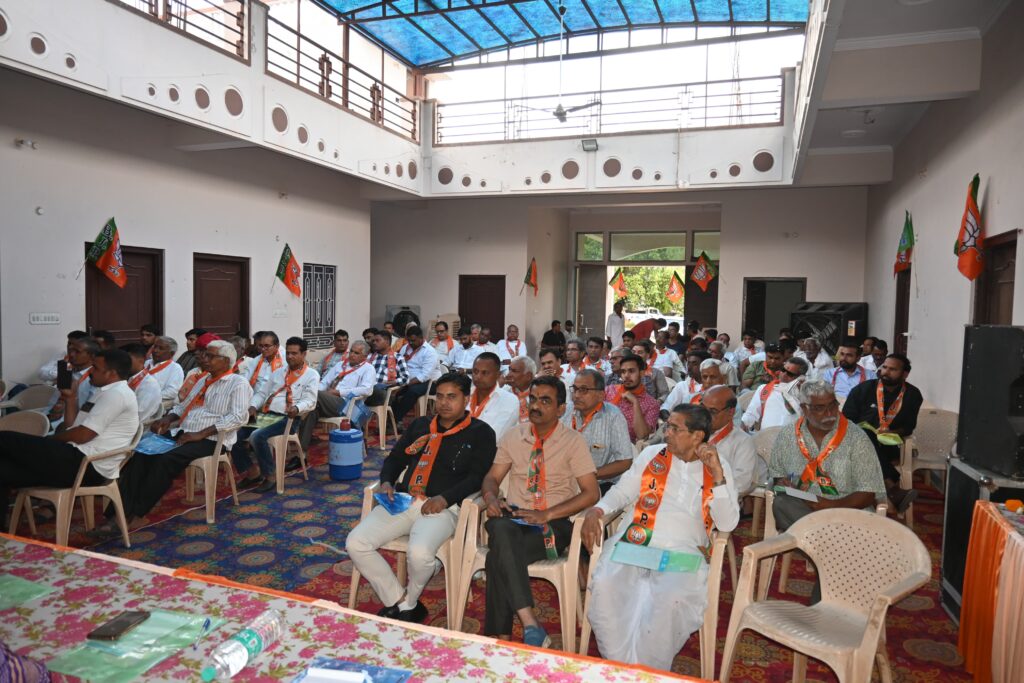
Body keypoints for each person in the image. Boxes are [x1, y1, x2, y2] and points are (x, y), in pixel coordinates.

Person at [582, 404, 739, 671]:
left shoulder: (718, 466)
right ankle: (620, 667)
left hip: (682, 551)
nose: (666, 433)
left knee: (671, 601)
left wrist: (717, 475)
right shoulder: (652, 455)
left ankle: (647, 671)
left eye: (675, 428)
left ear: (697, 436)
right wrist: (597, 510)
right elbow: (623, 492)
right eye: (668, 427)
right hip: (636, 541)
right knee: (607, 587)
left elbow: (727, 523)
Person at [347, 372, 497, 623]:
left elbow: (477, 477)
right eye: (440, 396)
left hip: (444, 507)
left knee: (418, 553)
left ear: (466, 399)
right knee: (356, 543)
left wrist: (444, 499)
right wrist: (387, 481)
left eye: (452, 397)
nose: (444, 403)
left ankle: (411, 600)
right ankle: (399, 600)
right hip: (405, 499)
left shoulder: (481, 432)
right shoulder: (421, 426)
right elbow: (395, 458)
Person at [480, 375, 600, 647]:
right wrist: (491, 498)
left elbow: (591, 493)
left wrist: (546, 514)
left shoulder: (573, 442)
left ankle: (504, 636)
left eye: (545, 401)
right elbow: (492, 478)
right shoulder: (514, 436)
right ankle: (530, 624)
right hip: (515, 517)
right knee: (501, 526)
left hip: (553, 524)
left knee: (498, 553)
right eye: (533, 399)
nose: (535, 405)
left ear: (561, 409)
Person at [108, 340, 251, 529]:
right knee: (142, 453)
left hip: (211, 439)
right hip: (184, 432)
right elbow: (184, 406)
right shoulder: (203, 380)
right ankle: (116, 512)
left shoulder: (237, 383)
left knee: (165, 460)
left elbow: (238, 417)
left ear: (226, 361)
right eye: (204, 355)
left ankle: (136, 513)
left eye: (210, 356)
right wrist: (167, 419)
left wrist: (200, 434)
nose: (204, 359)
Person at [768, 379, 886, 601]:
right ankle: (832, 555)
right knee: (782, 503)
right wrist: (785, 483)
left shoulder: (856, 438)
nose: (830, 413)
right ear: (804, 409)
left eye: (833, 405)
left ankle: (826, 560)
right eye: (820, 408)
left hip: (847, 512)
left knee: (831, 547)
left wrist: (832, 506)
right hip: (803, 510)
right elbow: (776, 477)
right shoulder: (787, 436)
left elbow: (868, 491)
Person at [0, 349, 140, 527]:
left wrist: (48, 442)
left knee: (5, 439)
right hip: (75, 458)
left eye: (96, 368)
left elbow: (83, 435)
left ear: (111, 373)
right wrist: (71, 398)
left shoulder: (117, 394)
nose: (91, 371)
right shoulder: (103, 391)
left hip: (87, 465)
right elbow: (72, 426)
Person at [232, 337, 320, 493]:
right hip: (267, 415)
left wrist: (297, 408)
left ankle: (270, 475)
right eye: (288, 353)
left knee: (257, 436)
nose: (290, 357)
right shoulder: (279, 372)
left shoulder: (311, 375)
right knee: (233, 436)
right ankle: (253, 472)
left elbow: (310, 401)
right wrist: (252, 406)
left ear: (304, 354)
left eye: (294, 353)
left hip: (288, 418)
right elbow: (262, 393)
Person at [841, 353, 923, 512]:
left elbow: (909, 427)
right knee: (864, 434)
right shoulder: (863, 389)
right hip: (856, 444)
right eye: (884, 367)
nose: (886, 372)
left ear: (905, 374)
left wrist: (891, 431)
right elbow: (845, 420)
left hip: (889, 445)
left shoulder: (912, 395)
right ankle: (892, 487)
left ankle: (886, 493)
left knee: (866, 447)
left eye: (893, 369)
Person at [562, 369, 632, 493]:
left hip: (600, 483)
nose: (576, 395)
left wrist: (587, 476)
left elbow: (625, 462)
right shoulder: (565, 411)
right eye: (575, 389)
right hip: (564, 481)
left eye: (583, 390)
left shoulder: (614, 416)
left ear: (600, 395)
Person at [300, 340, 376, 448]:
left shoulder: (368, 369)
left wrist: (339, 392)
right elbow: (324, 383)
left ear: (365, 356)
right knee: (312, 410)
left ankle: (295, 414)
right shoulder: (340, 364)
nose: (352, 355)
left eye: (356, 353)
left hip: (347, 404)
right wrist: (316, 391)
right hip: (329, 401)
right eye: (351, 351)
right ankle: (301, 452)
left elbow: (367, 390)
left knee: (314, 396)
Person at [701, 385, 763, 496]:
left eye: (713, 411)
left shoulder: (743, 442)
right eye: (702, 408)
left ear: (730, 412)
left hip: (718, 500)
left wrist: (705, 490)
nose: (704, 415)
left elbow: (742, 484)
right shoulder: (692, 433)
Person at [742, 356, 809, 432]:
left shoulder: (806, 396)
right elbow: (751, 414)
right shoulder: (764, 389)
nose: (784, 375)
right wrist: (743, 427)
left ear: (801, 377)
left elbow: (793, 410)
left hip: (791, 437)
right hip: (767, 436)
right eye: (783, 370)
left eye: (790, 374)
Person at [391, 326, 441, 423]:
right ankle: (392, 419)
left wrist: (404, 384)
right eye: (409, 340)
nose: (410, 343)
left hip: (430, 383)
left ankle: (395, 419)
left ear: (421, 338)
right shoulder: (405, 348)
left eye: (413, 340)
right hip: (408, 380)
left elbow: (424, 376)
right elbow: (399, 364)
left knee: (412, 391)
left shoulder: (430, 352)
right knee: (391, 390)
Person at [605, 354, 659, 443]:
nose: (626, 375)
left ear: (642, 373)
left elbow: (642, 436)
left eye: (631, 371)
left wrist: (635, 403)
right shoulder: (609, 390)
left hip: (626, 447)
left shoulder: (652, 404)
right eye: (623, 372)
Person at [468, 353, 520, 442]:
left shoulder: (509, 401)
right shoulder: (464, 395)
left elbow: (494, 437)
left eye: (485, 373)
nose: (478, 377)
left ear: (498, 375)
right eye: (475, 371)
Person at [121, 343, 162, 425]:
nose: (122, 364)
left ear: (141, 361)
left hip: (130, 425)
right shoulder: (128, 378)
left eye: (127, 360)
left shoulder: (149, 385)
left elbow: (138, 416)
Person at [367, 330, 409, 408]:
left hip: (383, 392)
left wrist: (393, 382)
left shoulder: (398, 357)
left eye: (377, 340)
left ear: (387, 341)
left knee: (374, 390)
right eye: (373, 341)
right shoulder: (369, 357)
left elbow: (406, 378)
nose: (374, 343)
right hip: (367, 388)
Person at [242, 332, 284, 396]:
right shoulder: (256, 361)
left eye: (267, 346)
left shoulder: (285, 360)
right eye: (261, 346)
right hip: (256, 398)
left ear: (276, 346)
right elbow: (245, 379)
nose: (263, 349)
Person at [145, 336, 185, 404]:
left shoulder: (175, 368)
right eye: (155, 347)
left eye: (161, 348)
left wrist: (149, 397)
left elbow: (172, 392)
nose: (155, 350)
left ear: (171, 353)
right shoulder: (146, 363)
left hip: (158, 404)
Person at [502, 356, 535, 423]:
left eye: (514, 371)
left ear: (528, 376)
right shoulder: (503, 392)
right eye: (509, 370)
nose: (508, 375)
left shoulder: (539, 394)